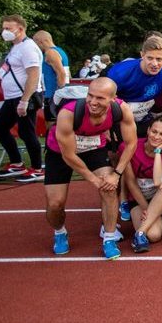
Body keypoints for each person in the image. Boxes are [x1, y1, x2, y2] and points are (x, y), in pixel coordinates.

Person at [43, 78, 137, 258]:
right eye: (90, 96)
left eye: (100, 98)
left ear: (113, 98)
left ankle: (109, 237)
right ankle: (59, 232)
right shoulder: (68, 113)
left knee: (110, 189)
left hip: (94, 147)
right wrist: (94, 180)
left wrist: (116, 175)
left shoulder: (121, 109)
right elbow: (68, 155)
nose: (93, 102)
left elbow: (131, 144)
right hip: (60, 153)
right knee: (55, 204)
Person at [0, 14, 45, 182]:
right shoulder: (15, 48)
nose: (4, 32)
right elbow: (4, 73)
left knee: (26, 131)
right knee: (0, 128)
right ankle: (17, 163)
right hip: (12, 97)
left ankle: (37, 168)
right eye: (4, 28)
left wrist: (24, 100)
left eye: (8, 28)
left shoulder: (27, 47)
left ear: (20, 29)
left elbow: (34, 74)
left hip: (23, 96)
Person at [121, 115, 162, 253]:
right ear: (148, 130)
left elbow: (158, 182)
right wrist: (146, 208)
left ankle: (139, 233)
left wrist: (159, 151)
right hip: (139, 199)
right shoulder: (129, 147)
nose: (156, 137)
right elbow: (130, 182)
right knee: (154, 235)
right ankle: (158, 220)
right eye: (154, 131)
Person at [106, 35, 162, 138]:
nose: (154, 64)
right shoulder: (120, 73)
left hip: (144, 117)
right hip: (118, 118)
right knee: (116, 151)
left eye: (159, 59)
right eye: (150, 58)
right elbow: (103, 101)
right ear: (142, 55)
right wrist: (105, 126)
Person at [32, 30, 69, 125]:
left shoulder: (50, 53)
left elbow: (61, 74)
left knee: (51, 125)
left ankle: (51, 140)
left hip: (53, 94)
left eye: (35, 43)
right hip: (54, 94)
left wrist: (59, 95)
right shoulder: (60, 51)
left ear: (41, 41)